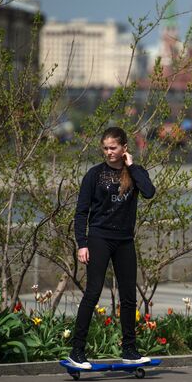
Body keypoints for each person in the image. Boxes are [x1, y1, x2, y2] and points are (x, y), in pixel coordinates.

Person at [69, 127, 156, 369]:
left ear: (124, 148)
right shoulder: (94, 175)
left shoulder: (135, 173)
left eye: (113, 148)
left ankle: (129, 350)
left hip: (125, 240)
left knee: (129, 296)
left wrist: (134, 167)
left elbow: (149, 192)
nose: (109, 152)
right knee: (93, 292)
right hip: (99, 238)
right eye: (105, 148)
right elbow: (81, 212)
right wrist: (82, 243)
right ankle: (77, 351)